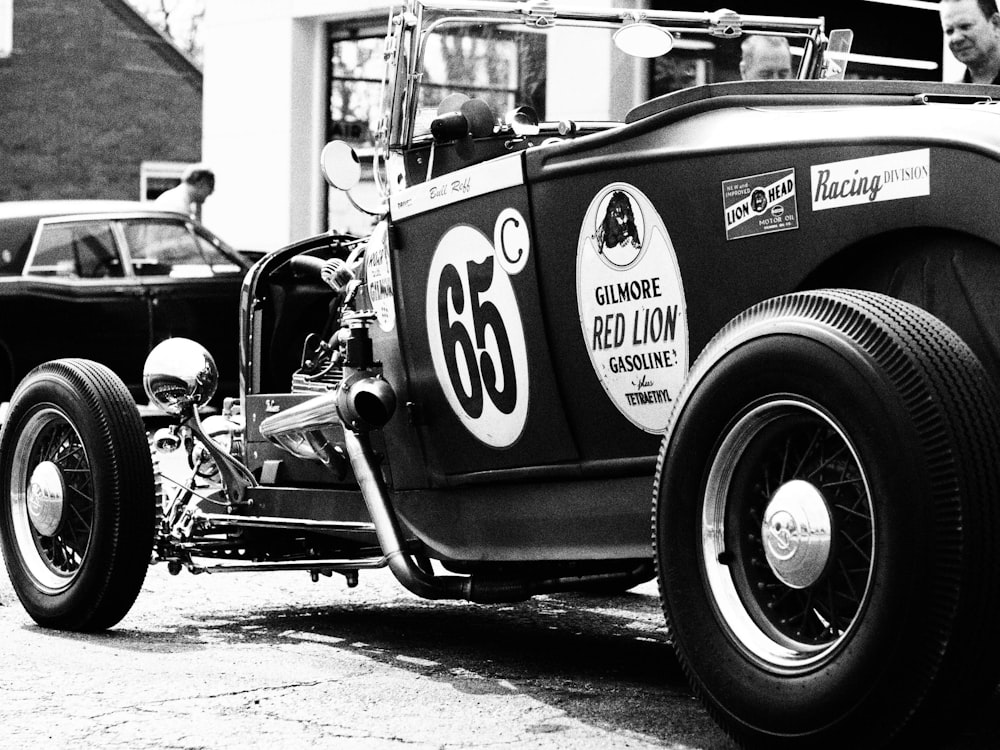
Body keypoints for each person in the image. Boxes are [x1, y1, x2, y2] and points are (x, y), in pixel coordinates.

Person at [940, 0, 1000, 84]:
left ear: (995, 24)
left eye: (965, 26)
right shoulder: (950, 94)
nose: (956, 38)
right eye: (949, 31)